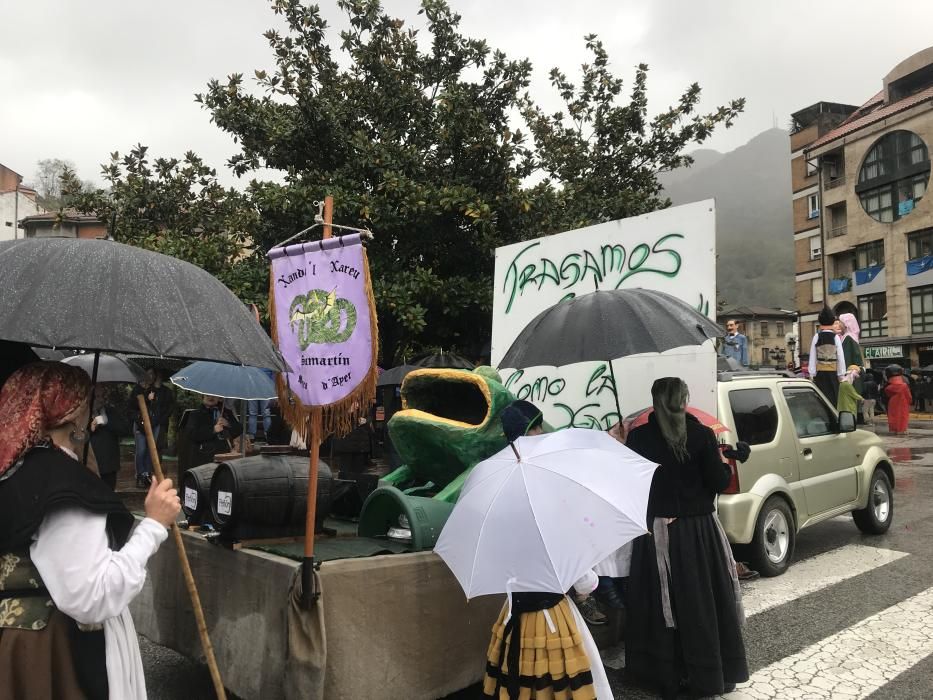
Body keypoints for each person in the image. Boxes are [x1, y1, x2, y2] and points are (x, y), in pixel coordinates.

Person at [0, 361, 179, 700]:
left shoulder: (17, 471)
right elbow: (91, 597)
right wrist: (154, 525)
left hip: (21, 644)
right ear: (71, 411)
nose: (90, 408)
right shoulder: (63, 486)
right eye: (86, 401)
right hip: (56, 656)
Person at [624, 377, 748, 699]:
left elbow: (633, 485)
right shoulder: (702, 435)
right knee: (700, 602)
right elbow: (719, 482)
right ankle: (708, 675)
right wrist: (724, 461)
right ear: (684, 399)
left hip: (656, 534)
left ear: (655, 400)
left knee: (661, 604)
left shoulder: (638, 437)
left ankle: (664, 675)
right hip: (698, 534)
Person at [481, 400, 611, 699]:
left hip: (513, 613)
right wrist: (589, 579)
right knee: (555, 685)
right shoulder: (551, 490)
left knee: (516, 684)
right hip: (551, 617)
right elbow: (583, 579)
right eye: (538, 427)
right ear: (532, 432)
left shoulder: (494, 487)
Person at [129, 369, 174, 488]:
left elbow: (161, 406)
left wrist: (159, 419)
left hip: (154, 424)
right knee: (141, 450)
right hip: (140, 424)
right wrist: (147, 399)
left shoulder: (156, 389)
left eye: (153, 375)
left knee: (151, 450)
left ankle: (147, 474)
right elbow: (132, 406)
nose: (151, 376)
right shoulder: (137, 389)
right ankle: (140, 474)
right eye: (149, 374)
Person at [90, 385, 132, 490]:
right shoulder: (84, 412)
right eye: (97, 396)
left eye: (102, 396)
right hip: (90, 463)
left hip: (109, 465)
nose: (100, 399)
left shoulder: (111, 412)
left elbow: (125, 429)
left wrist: (106, 422)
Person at [186, 394, 243, 467]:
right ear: (202, 397)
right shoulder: (195, 414)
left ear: (218, 398)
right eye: (207, 395)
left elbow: (240, 429)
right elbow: (192, 434)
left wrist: (228, 424)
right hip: (204, 457)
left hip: (224, 455)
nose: (211, 397)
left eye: (214, 396)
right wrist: (213, 430)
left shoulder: (225, 413)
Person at [808, 307, 846, 406]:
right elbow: (840, 357)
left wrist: (812, 373)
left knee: (821, 399)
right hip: (833, 373)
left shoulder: (817, 336)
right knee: (833, 398)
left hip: (820, 374)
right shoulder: (836, 337)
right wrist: (841, 374)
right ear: (832, 321)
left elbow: (812, 356)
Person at [884, 365, 912, 435]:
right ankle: (901, 430)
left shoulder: (888, 387)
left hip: (892, 402)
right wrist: (910, 401)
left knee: (893, 416)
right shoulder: (904, 386)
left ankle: (893, 429)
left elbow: (887, 394)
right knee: (902, 416)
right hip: (903, 402)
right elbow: (908, 396)